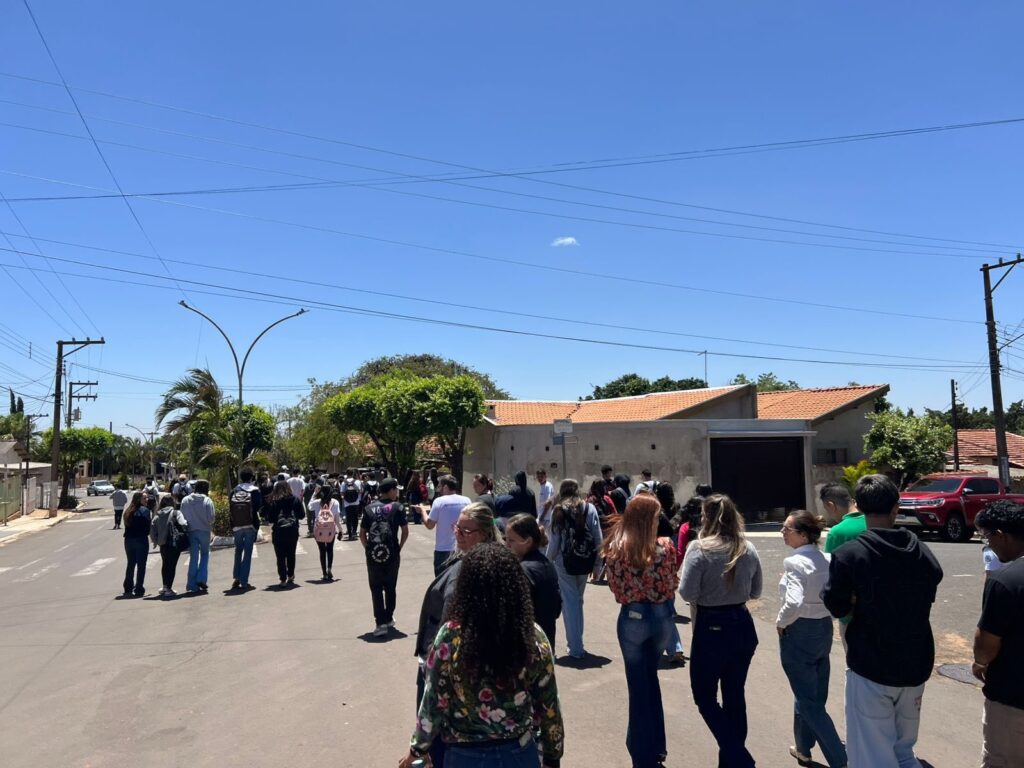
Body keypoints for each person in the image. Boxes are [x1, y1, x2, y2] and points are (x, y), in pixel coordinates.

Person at [400, 543, 564, 768]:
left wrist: (418, 749)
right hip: (518, 752)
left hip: (464, 755)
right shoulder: (532, 635)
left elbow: (434, 699)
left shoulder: (451, 636)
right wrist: (552, 757)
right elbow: (549, 703)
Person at [822, 474, 943, 768]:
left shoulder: (849, 554)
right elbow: (932, 583)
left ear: (859, 507)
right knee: (904, 752)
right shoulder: (920, 550)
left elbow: (836, 604)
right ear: (896, 508)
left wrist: (857, 598)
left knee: (871, 756)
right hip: (915, 665)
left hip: (872, 666)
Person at [413, 502, 501, 768]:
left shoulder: (466, 571)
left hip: (452, 667)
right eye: (457, 528)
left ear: (484, 533)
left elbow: (451, 619)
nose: (458, 534)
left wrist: (419, 747)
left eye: (465, 531)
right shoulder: (481, 562)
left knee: (443, 744)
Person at [679, 494, 763, 768]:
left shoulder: (699, 549)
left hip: (711, 626)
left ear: (706, 517)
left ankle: (738, 757)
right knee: (734, 694)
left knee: (704, 697)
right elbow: (756, 591)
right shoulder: (747, 547)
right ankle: (733, 759)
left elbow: (687, 592)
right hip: (741, 623)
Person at [604, 494, 681, 768]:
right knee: (650, 678)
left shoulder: (616, 548)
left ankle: (642, 752)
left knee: (638, 686)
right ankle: (656, 746)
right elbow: (672, 584)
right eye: (657, 516)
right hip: (661, 616)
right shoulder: (666, 547)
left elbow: (615, 588)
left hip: (632, 617)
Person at [777, 510, 847, 768]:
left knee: (809, 701)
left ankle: (841, 760)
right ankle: (803, 747)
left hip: (799, 630)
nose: (783, 533)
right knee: (810, 693)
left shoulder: (795, 563)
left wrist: (781, 622)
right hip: (822, 628)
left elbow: (793, 602)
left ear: (804, 535)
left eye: (787, 529)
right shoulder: (826, 559)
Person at [973, 500, 1024, 767]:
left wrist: (980, 663)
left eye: (987, 537)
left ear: (1001, 535)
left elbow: (985, 645)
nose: (988, 544)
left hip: (1012, 698)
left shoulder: (1005, 581)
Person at [546, 478, 603, 659]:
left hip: (565, 562)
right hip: (585, 560)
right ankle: (577, 643)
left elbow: (554, 542)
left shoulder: (558, 510)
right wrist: (598, 565)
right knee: (578, 601)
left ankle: (575, 647)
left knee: (570, 603)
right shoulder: (589, 509)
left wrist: (547, 562)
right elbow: (598, 538)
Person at [360, 478, 409, 637]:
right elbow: (405, 531)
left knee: (376, 589)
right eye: (396, 489)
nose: (397, 492)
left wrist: (369, 549)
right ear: (391, 490)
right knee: (390, 587)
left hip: (374, 555)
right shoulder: (398, 507)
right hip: (392, 554)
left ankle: (380, 623)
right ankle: (388, 617)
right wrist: (398, 548)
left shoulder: (369, 508)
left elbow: (362, 533)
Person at [506, 513, 562, 650]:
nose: (507, 545)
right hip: (546, 642)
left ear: (528, 541)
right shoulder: (547, 564)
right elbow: (556, 609)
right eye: (506, 539)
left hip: (527, 647)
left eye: (511, 540)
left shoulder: (522, 571)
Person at [425, 474, 471, 576]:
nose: (438, 489)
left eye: (439, 486)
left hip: (443, 549)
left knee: (441, 581)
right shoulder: (467, 500)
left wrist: (423, 512)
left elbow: (429, 525)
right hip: (462, 548)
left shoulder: (439, 501)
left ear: (445, 487)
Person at [263, 479, 304, 586]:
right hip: (292, 531)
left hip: (278, 532)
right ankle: (290, 575)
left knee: (280, 556)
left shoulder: (274, 502)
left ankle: (282, 579)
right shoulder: (295, 500)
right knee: (291, 554)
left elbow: (270, 519)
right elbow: (302, 515)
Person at [229, 468, 263, 592]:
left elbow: (231, 506)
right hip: (250, 525)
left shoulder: (234, 490)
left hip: (237, 525)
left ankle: (236, 577)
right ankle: (244, 581)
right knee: (248, 553)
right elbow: (259, 507)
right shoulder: (255, 491)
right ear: (252, 477)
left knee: (238, 551)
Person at [180, 479, 215, 594]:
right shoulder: (207, 500)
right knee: (205, 554)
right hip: (204, 531)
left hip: (191, 531)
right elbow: (211, 518)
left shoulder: (185, 500)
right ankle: (201, 578)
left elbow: (182, 517)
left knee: (193, 557)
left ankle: (191, 585)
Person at [150, 493, 188, 597]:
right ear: (173, 502)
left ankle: (165, 586)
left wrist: (155, 541)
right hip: (174, 543)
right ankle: (168, 589)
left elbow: (152, 529)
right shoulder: (176, 513)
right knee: (172, 566)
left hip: (163, 544)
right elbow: (183, 523)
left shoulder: (157, 514)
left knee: (165, 565)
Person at [121, 491, 152, 597]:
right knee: (141, 565)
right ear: (139, 499)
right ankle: (139, 588)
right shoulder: (145, 511)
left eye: (147, 498)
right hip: (141, 539)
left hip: (128, 540)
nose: (147, 500)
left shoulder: (128, 511)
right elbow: (148, 527)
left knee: (131, 563)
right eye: (144, 498)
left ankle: (128, 587)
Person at [310, 483, 343, 581]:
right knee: (330, 549)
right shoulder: (335, 502)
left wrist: (314, 494)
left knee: (322, 551)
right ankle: (329, 568)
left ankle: (324, 573)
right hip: (330, 530)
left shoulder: (317, 502)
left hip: (318, 529)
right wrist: (340, 530)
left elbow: (308, 507)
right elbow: (337, 520)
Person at [339, 471, 362, 540]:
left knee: (348, 519)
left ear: (347, 474)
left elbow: (342, 493)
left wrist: (344, 499)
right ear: (353, 474)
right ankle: (354, 532)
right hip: (356, 502)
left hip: (347, 503)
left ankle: (350, 534)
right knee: (355, 518)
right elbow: (360, 491)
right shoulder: (357, 482)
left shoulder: (344, 482)